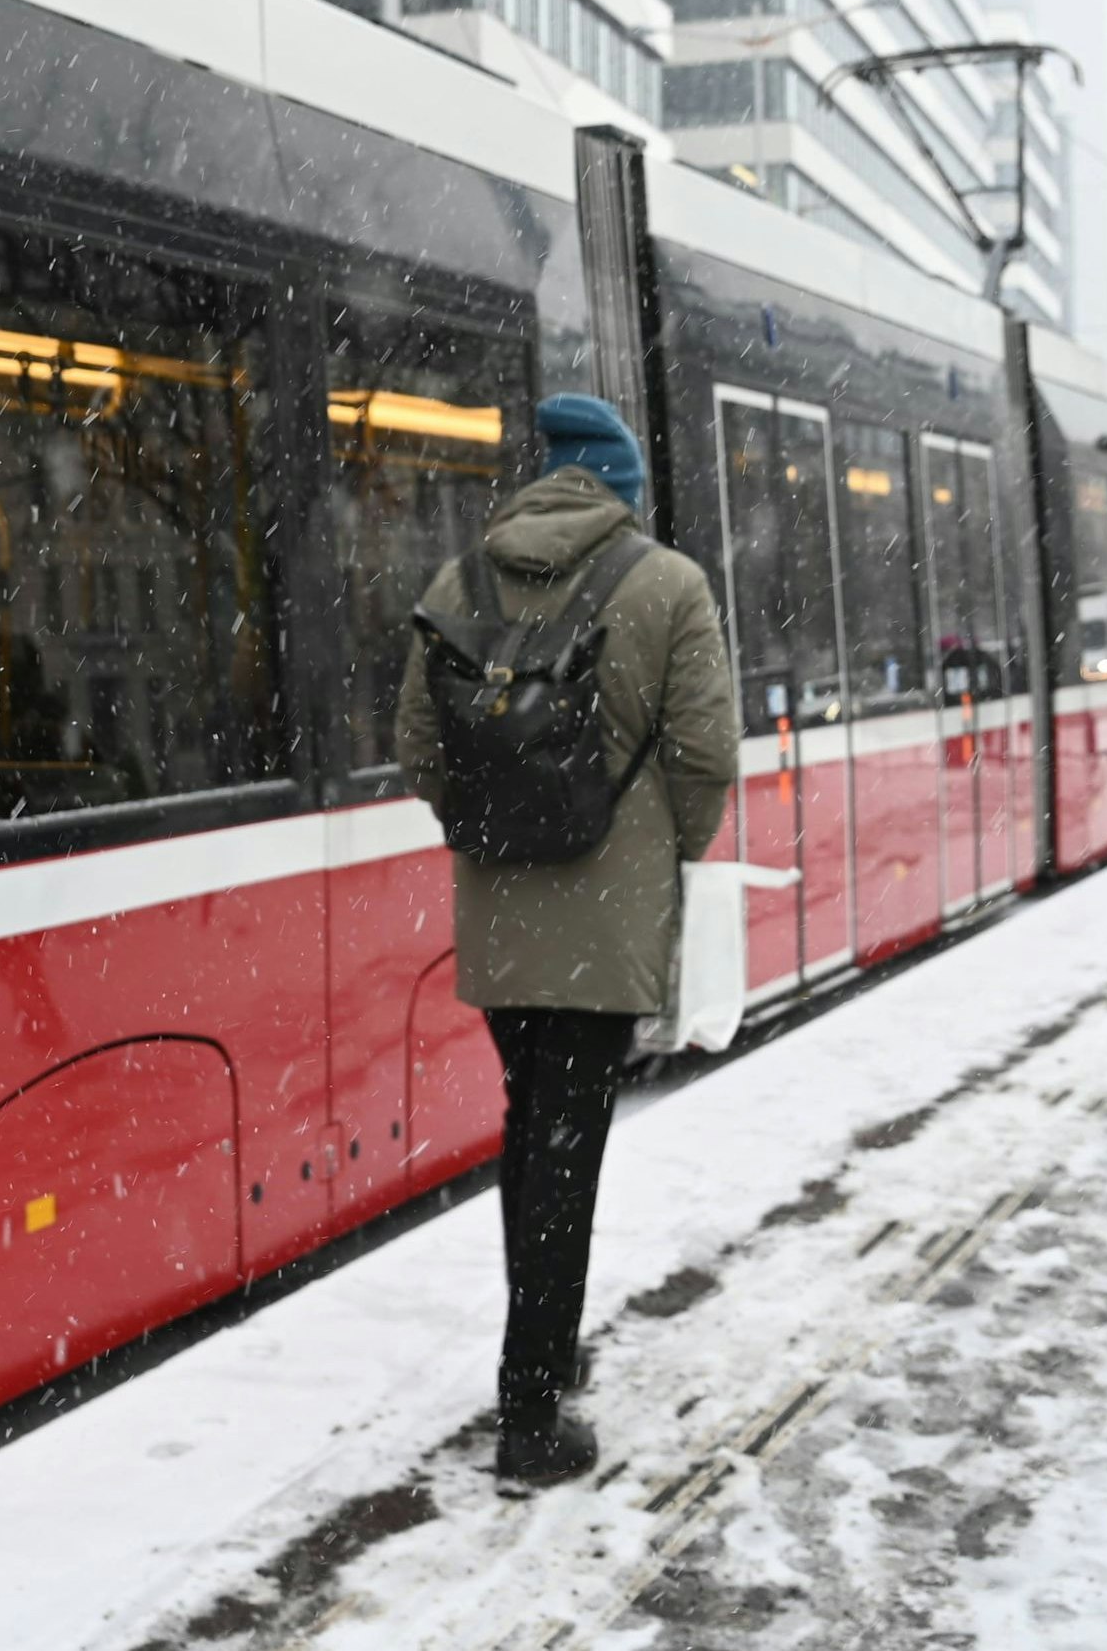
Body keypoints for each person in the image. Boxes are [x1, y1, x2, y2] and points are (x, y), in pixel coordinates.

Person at [397, 392, 736, 1486]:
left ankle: (542, 1351)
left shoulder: (458, 583)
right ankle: (532, 1411)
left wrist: (492, 828)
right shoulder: (668, 584)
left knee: (532, 1129)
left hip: (501, 916)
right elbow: (705, 756)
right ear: (622, 490)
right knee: (567, 1147)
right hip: (609, 919)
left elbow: (418, 748)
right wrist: (660, 858)